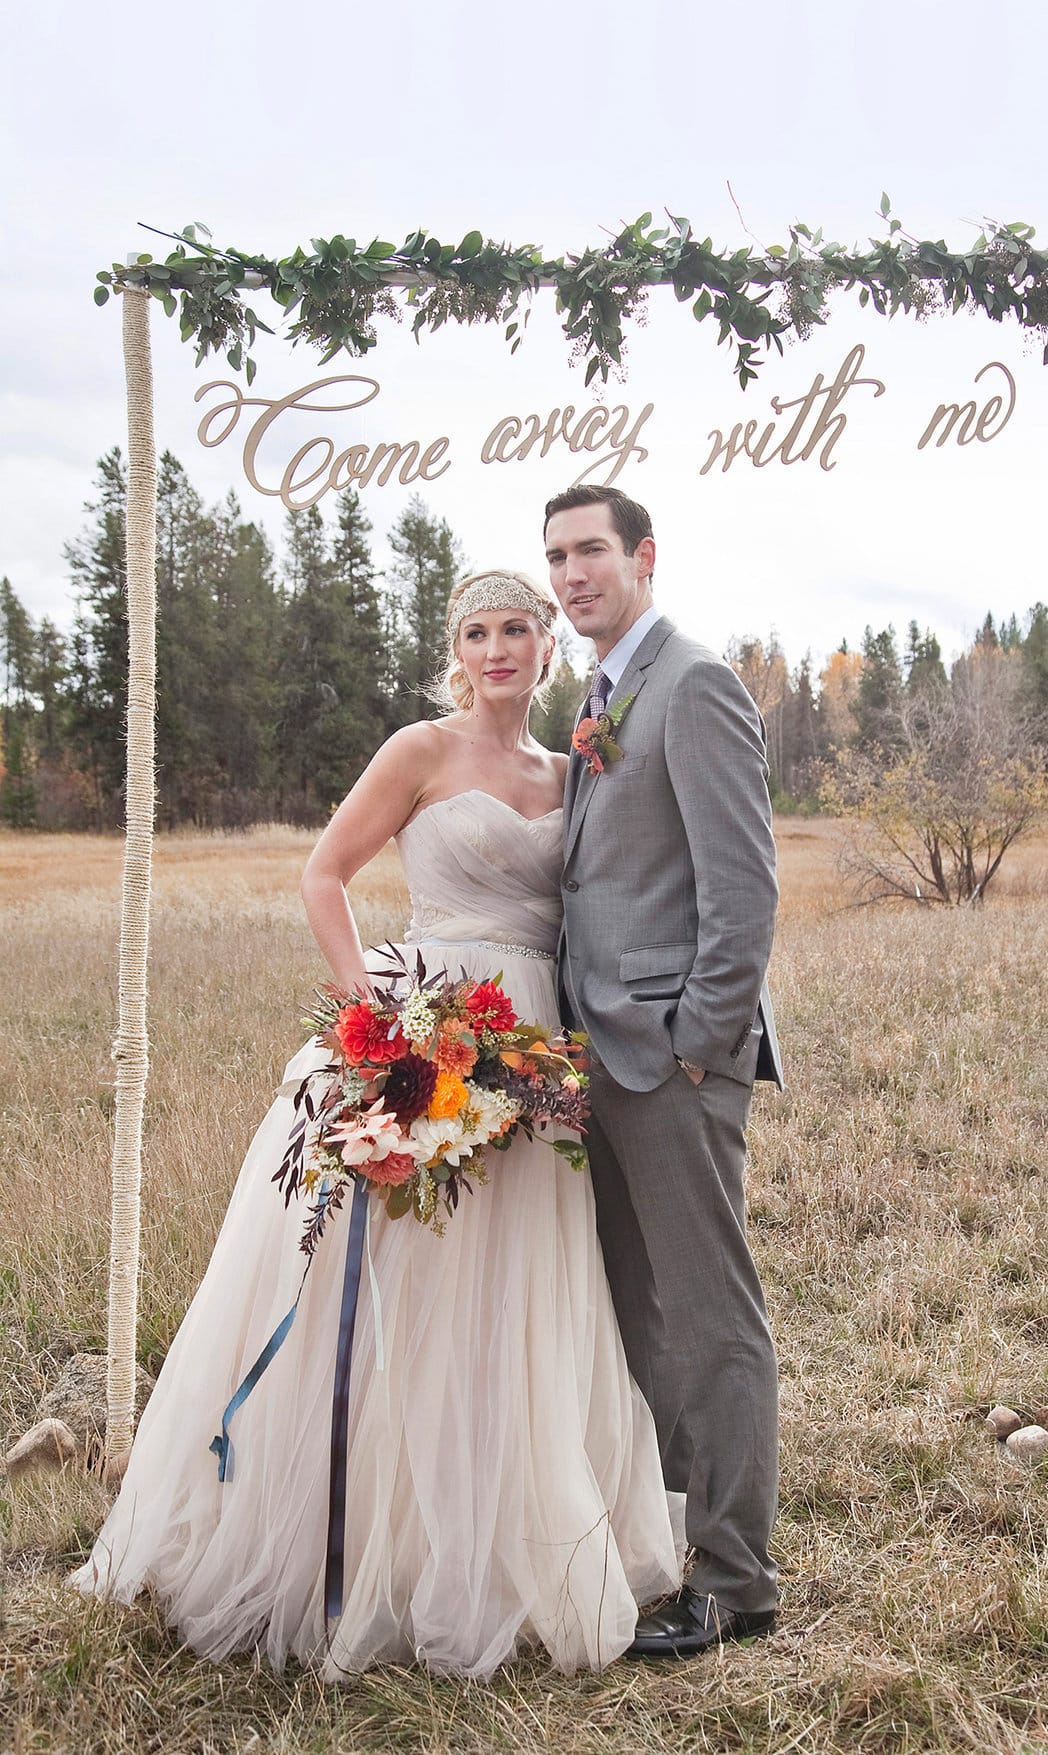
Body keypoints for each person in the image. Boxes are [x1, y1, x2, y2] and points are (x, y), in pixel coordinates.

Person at [72, 567, 681, 1679]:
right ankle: (364, 1542)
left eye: (516, 629)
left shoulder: (570, 771)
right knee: (406, 1272)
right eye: (476, 632)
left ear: (548, 646)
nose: (496, 650)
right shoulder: (420, 751)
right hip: (425, 1028)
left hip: (533, 1050)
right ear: (457, 651)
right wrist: (377, 1019)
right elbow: (324, 875)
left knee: (518, 1278)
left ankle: (505, 1537)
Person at [544, 485, 782, 1657]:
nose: (572, 574)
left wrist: (696, 1043)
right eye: (556, 556)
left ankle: (738, 1583)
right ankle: (675, 1533)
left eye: (591, 550)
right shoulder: (598, 697)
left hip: (671, 1063)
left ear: (645, 556)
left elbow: (744, 892)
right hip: (595, 1057)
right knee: (638, 1314)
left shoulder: (693, 684)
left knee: (711, 1317)